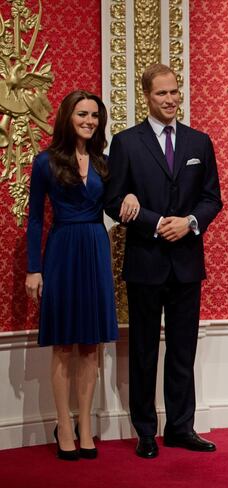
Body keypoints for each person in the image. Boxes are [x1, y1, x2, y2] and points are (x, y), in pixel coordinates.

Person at [104, 63, 223, 459]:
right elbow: (113, 200)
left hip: (187, 262)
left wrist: (189, 223)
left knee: (182, 349)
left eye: (175, 92)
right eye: (161, 94)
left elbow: (211, 199)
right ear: (146, 96)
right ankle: (144, 431)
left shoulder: (199, 142)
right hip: (145, 260)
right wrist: (156, 223)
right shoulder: (125, 143)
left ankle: (180, 428)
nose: (170, 99)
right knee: (142, 349)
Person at [25, 90, 124, 460]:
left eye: (95, 115)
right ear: (68, 116)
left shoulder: (104, 162)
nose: (89, 121)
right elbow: (35, 219)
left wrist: (130, 200)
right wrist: (34, 268)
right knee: (64, 345)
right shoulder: (45, 162)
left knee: (90, 347)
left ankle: (85, 425)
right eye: (82, 114)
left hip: (95, 248)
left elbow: (115, 204)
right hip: (63, 250)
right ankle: (62, 424)